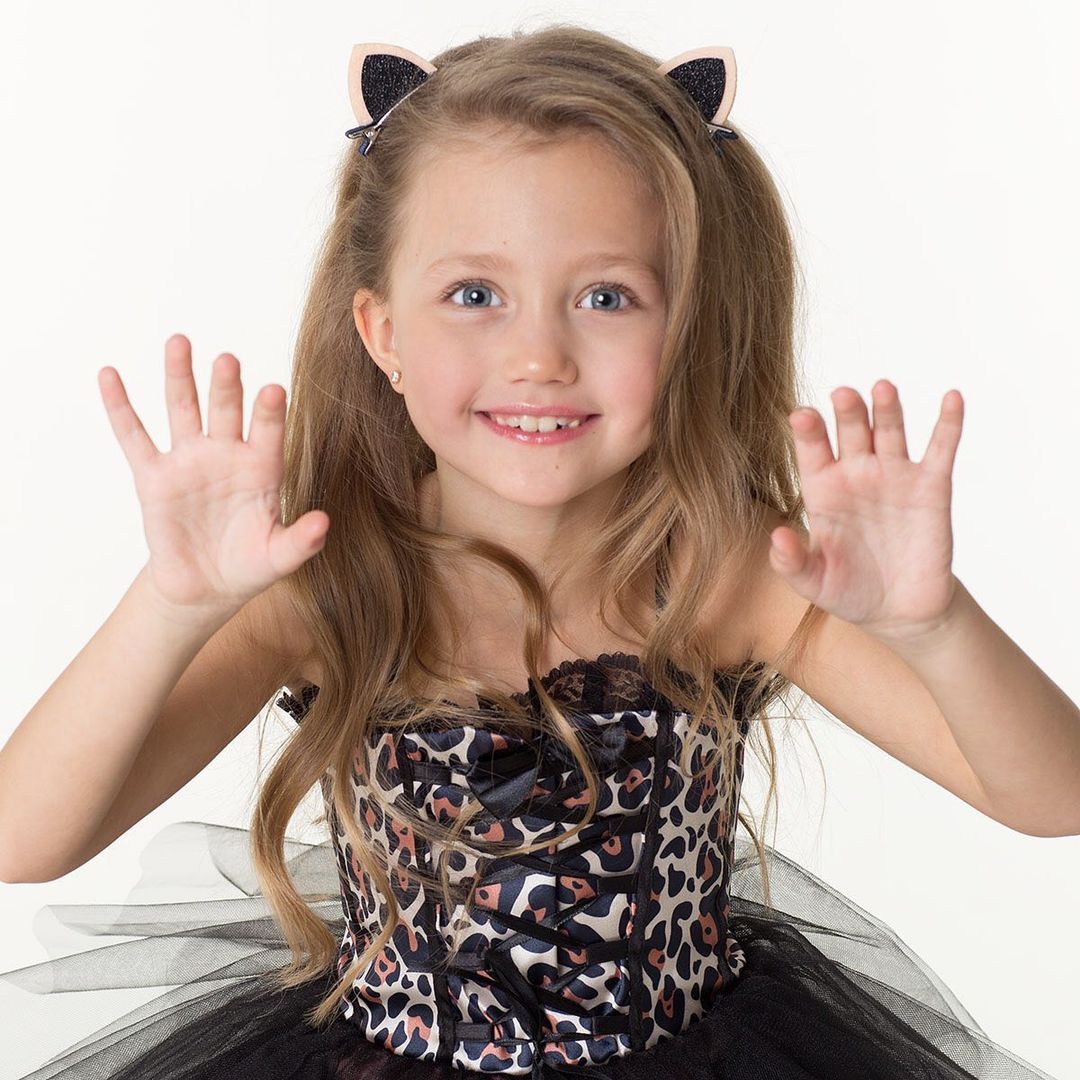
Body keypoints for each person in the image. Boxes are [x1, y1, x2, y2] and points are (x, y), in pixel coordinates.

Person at [0, 24, 1072, 1080]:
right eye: (475, 295)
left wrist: (935, 628)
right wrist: (169, 607)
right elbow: (23, 841)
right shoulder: (332, 582)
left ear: (687, 329)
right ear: (383, 334)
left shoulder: (729, 575)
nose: (538, 355)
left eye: (607, 297)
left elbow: (1053, 797)